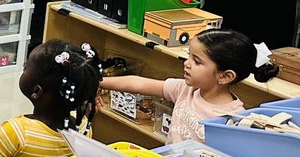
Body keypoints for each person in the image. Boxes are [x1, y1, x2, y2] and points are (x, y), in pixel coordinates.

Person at [99, 28, 274, 142]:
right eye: (189, 56)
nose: (187, 63)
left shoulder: (234, 119)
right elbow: (138, 83)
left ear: (225, 76)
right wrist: (99, 82)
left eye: (196, 61)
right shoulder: (187, 89)